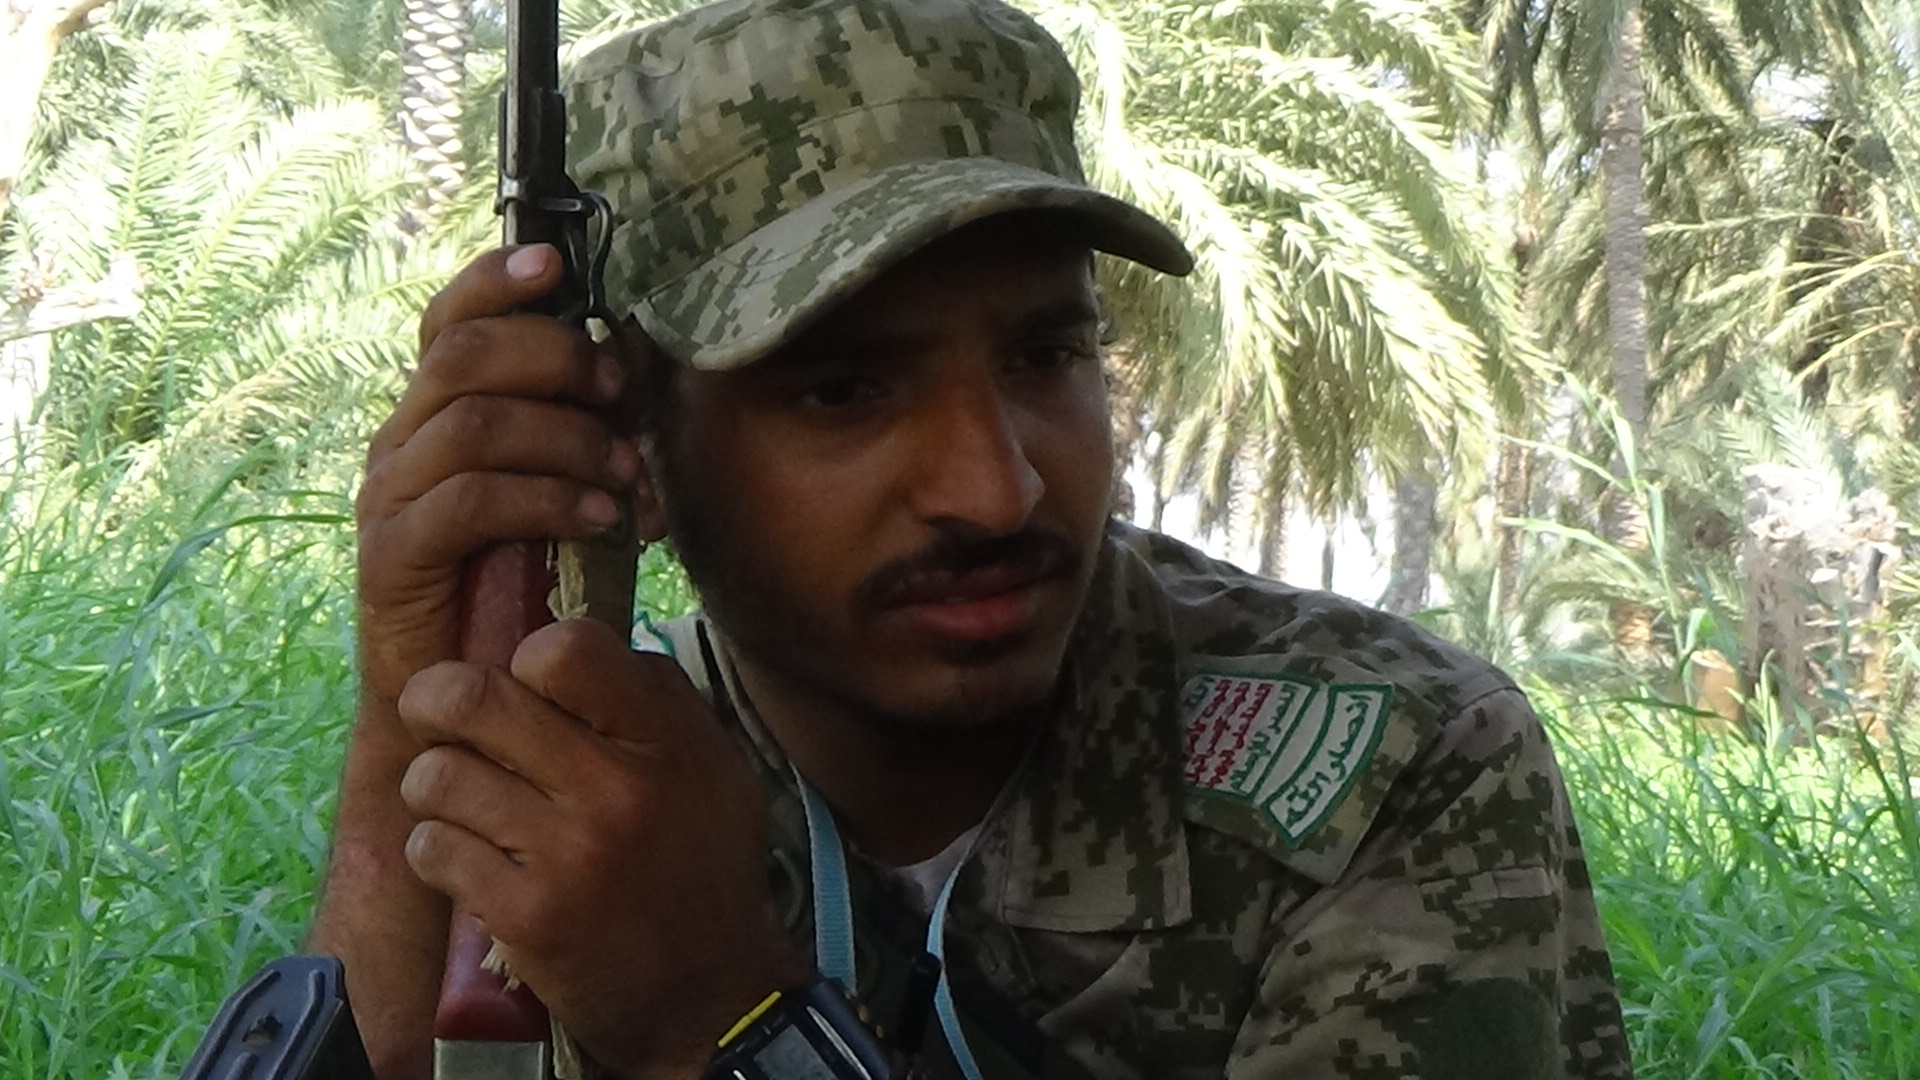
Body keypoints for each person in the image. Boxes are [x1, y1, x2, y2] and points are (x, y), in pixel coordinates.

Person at [307, 0, 1637, 1076]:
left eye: (1045, 355)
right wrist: (412, 709)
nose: (996, 493)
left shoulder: (1375, 770)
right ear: (632, 448)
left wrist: (717, 1022)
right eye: (845, 390)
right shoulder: (593, 789)